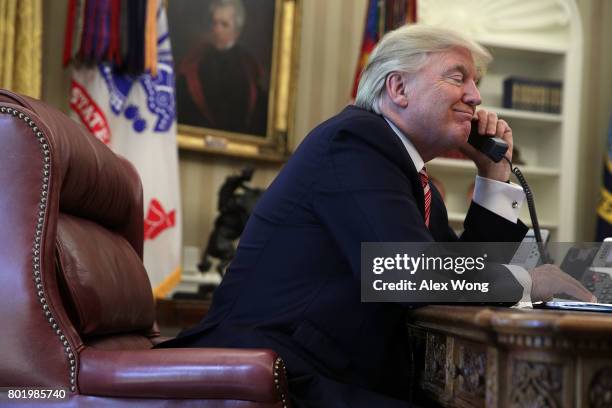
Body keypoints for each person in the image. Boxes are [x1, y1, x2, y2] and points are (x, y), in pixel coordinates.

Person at [159, 25, 594, 407]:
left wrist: (495, 174)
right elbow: (405, 273)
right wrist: (531, 282)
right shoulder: (355, 143)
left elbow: (460, 270)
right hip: (278, 374)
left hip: (327, 372)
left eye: (476, 83)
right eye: (457, 77)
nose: (477, 97)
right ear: (398, 89)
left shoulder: (410, 176)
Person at [176, 0, 267, 135]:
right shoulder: (195, 60)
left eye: (224, 24)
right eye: (215, 23)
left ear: (237, 31)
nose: (217, 29)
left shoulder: (249, 67)